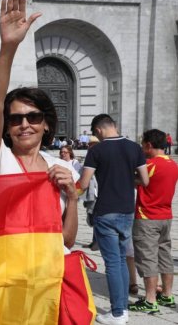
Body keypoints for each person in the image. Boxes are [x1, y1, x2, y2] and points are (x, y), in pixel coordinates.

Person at [0, 0, 79, 252]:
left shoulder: (61, 168)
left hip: (48, 279)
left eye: (33, 117)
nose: (24, 124)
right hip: (6, 278)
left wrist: (72, 197)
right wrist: (8, 48)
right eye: (15, 119)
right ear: (7, 127)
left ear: (46, 123)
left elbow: (67, 241)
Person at [77, 113, 149, 324]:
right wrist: (128, 177)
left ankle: (118, 312)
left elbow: (83, 183)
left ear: (98, 130)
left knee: (113, 263)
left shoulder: (97, 150)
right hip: (127, 210)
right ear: (113, 126)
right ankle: (122, 308)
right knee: (121, 260)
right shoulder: (134, 148)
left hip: (106, 211)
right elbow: (144, 180)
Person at [128, 129, 178, 313]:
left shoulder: (149, 165)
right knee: (164, 256)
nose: (142, 148)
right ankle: (167, 295)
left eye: (142, 144)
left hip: (147, 217)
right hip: (166, 216)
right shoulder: (173, 164)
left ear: (149, 145)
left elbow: (135, 179)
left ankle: (149, 300)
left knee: (147, 258)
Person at [82, 136, 100, 251]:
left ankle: (97, 242)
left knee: (96, 218)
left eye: (91, 144)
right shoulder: (91, 155)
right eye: (89, 144)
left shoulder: (98, 156)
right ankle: (95, 241)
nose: (89, 146)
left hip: (97, 192)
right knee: (92, 217)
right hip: (91, 192)